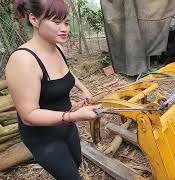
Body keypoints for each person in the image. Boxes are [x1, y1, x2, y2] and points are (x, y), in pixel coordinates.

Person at [5, 0, 100, 179]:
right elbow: (29, 115)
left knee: (76, 162)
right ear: (33, 19)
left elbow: (65, 72)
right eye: (56, 22)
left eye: (66, 22)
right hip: (43, 137)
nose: (64, 28)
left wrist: (84, 88)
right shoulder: (23, 61)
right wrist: (74, 116)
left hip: (66, 125)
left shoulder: (57, 48)